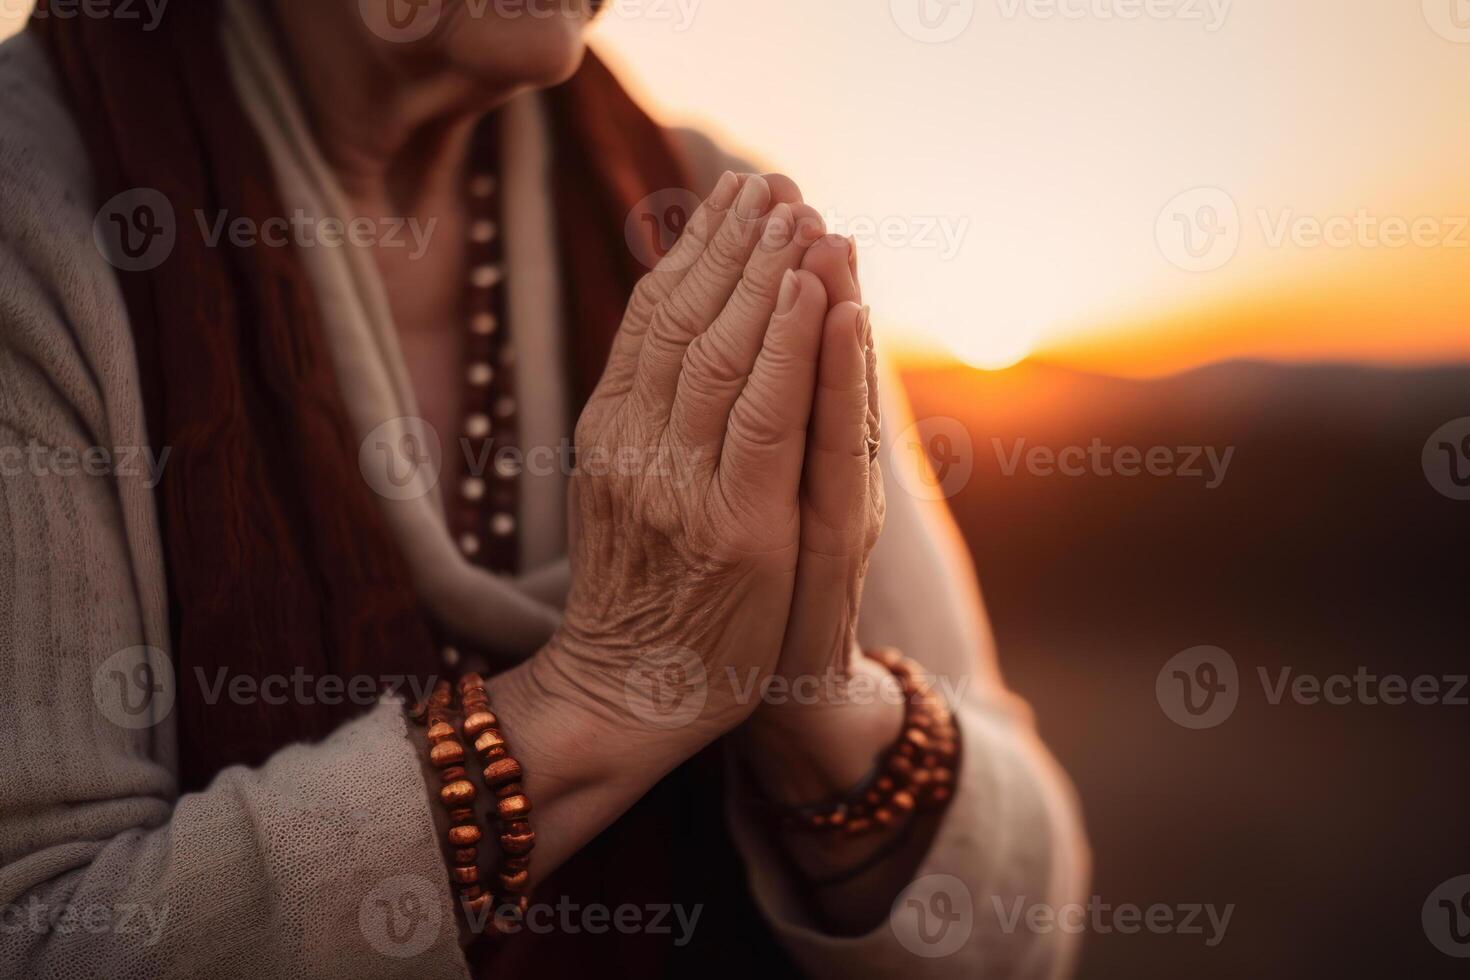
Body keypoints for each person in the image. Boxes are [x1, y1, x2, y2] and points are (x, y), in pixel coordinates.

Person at [0, 1, 1087, 976]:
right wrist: (601, 698)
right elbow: (41, 933)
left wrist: (815, 703)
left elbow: (1022, 921)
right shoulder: (33, 211)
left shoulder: (711, 217)